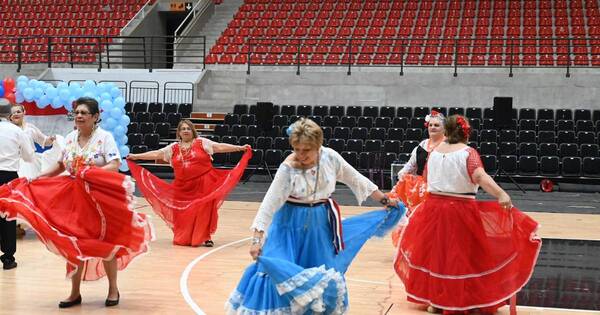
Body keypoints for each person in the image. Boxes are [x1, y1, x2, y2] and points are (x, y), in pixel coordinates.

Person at [226, 118, 406, 314]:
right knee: (277, 271)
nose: (300, 155)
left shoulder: (331, 158)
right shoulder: (288, 168)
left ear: (318, 146)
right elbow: (269, 204)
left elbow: (356, 179)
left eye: (306, 150)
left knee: (322, 274)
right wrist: (257, 239)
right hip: (288, 226)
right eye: (297, 149)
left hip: (320, 225)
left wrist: (384, 200)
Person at [0, 97, 154, 308]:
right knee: (74, 242)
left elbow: (115, 164)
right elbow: (61, 166)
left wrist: (91, 172)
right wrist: (39, 177)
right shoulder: (71, 137)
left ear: (95, 116)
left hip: (101, 198)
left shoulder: (104, 137)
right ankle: (74, 293)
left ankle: (113, 289)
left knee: (106, 242)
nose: (79, 116)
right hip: (74, 198)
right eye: (77, 113)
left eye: (83, 113)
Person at [394, 115, 541, 314]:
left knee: (437, 255)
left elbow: (427, 177)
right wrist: (500, 193)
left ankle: (436, 301)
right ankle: (456, 300)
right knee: (460, 256)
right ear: (466, 132)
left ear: (447, 131)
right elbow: (479, 176)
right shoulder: (468, 153)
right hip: (459, 209)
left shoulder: (435, 152)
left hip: (433, 209)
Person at [127, 119, 251, 247]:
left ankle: (205, 236)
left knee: (203, 210)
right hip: (182, 186)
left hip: (204, 183)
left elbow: (219, 146)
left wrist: (239, 148)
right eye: (183, 129)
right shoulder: (173, 148)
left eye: (188, 128)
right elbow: (156, 154)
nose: (186, 131)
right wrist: (136, 156)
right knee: (183, 213)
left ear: (193, 131)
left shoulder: (202, 142)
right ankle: (187, 235)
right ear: (179, 133)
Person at [390, 110, 446, 245]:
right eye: (430, 125)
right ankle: (418, 246)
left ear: (444, 128)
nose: (432, 127)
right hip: (420, 189)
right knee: (417, 218)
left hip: (440, 188)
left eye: (436, 125)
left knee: (436, 221)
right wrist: (402, 174)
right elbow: (411, 165)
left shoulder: (448, 146)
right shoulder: (421, 146)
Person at [10, 104, 59, 238]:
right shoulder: (7, 130)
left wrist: (53, 139)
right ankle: (14, 225)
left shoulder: (30, 128)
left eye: (19, 111)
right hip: (13, 164)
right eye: (13, 112)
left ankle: (28, 223)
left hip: (31, 163)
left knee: (32, 194)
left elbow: (44, 141)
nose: (16, 114)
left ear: (24, 112)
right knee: (15, 193)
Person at [0, 98, 35, 270]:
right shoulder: (16, 131)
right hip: (8, 176)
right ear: (9, 114)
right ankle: (7, 258)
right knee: (7, 216)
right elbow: (29, 156)